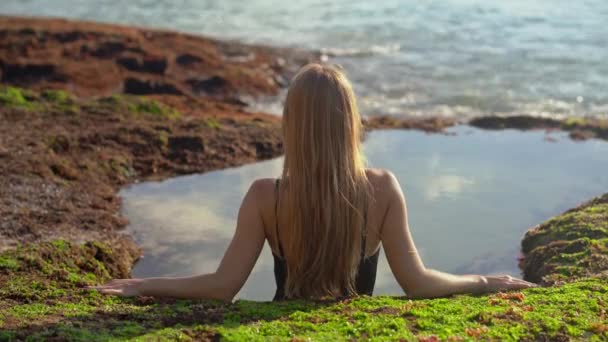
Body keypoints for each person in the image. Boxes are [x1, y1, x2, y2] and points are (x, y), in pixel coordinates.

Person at [91, 64, 536, 301]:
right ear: (350, 122)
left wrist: (142, 284)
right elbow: (417, 284)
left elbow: (222, 287)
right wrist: (481, 281)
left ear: (291, 123)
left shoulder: (265, 196)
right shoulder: (381, 188)